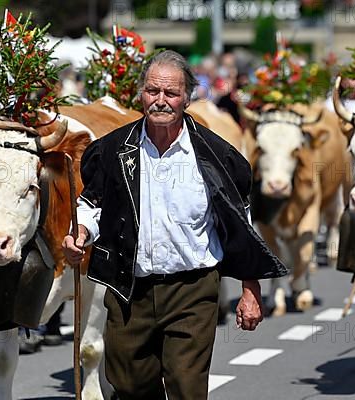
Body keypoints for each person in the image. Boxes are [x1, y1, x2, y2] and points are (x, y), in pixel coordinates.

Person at [62, 50, 286, 399]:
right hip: (128, 289)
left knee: (186, 386)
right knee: (130, 385)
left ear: (187, 97)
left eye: (171, 93)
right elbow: (92, 205)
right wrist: (82, 233)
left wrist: (250, 289)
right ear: (141, 93)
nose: (161, 101)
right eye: (153, 91)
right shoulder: (112, 150)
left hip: (192, 290)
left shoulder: (216, 156)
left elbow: (239, 227)